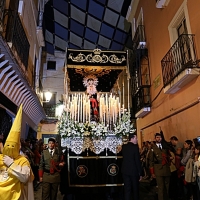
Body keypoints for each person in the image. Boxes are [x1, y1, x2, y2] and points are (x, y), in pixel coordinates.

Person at [0, 104, 34, 200]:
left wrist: (11, 164)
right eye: (8, 145)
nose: (10, 148)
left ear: (18, 147)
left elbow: (25, 177)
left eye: (13, 146)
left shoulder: (23, 160)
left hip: (17, 196)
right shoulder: (0, 158)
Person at [149, 133, 171, 200]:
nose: (159, 139)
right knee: (160, 187)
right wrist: (152, 172)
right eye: (157, 137)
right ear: (155, 138)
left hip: (166, 169)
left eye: (160, 137)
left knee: (167, 187)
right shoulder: (153, 148)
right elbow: (151, 161)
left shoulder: (165, 146)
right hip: (158, 169)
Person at [121, 133, 142, 200]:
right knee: (135, 189)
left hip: (125, 171)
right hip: (133, 172)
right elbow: (137, 161)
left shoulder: (124, 147)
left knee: (127, 189)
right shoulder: (135, 148)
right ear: (132, 138)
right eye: (136, 138)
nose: (137, 139)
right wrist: (140, 173)